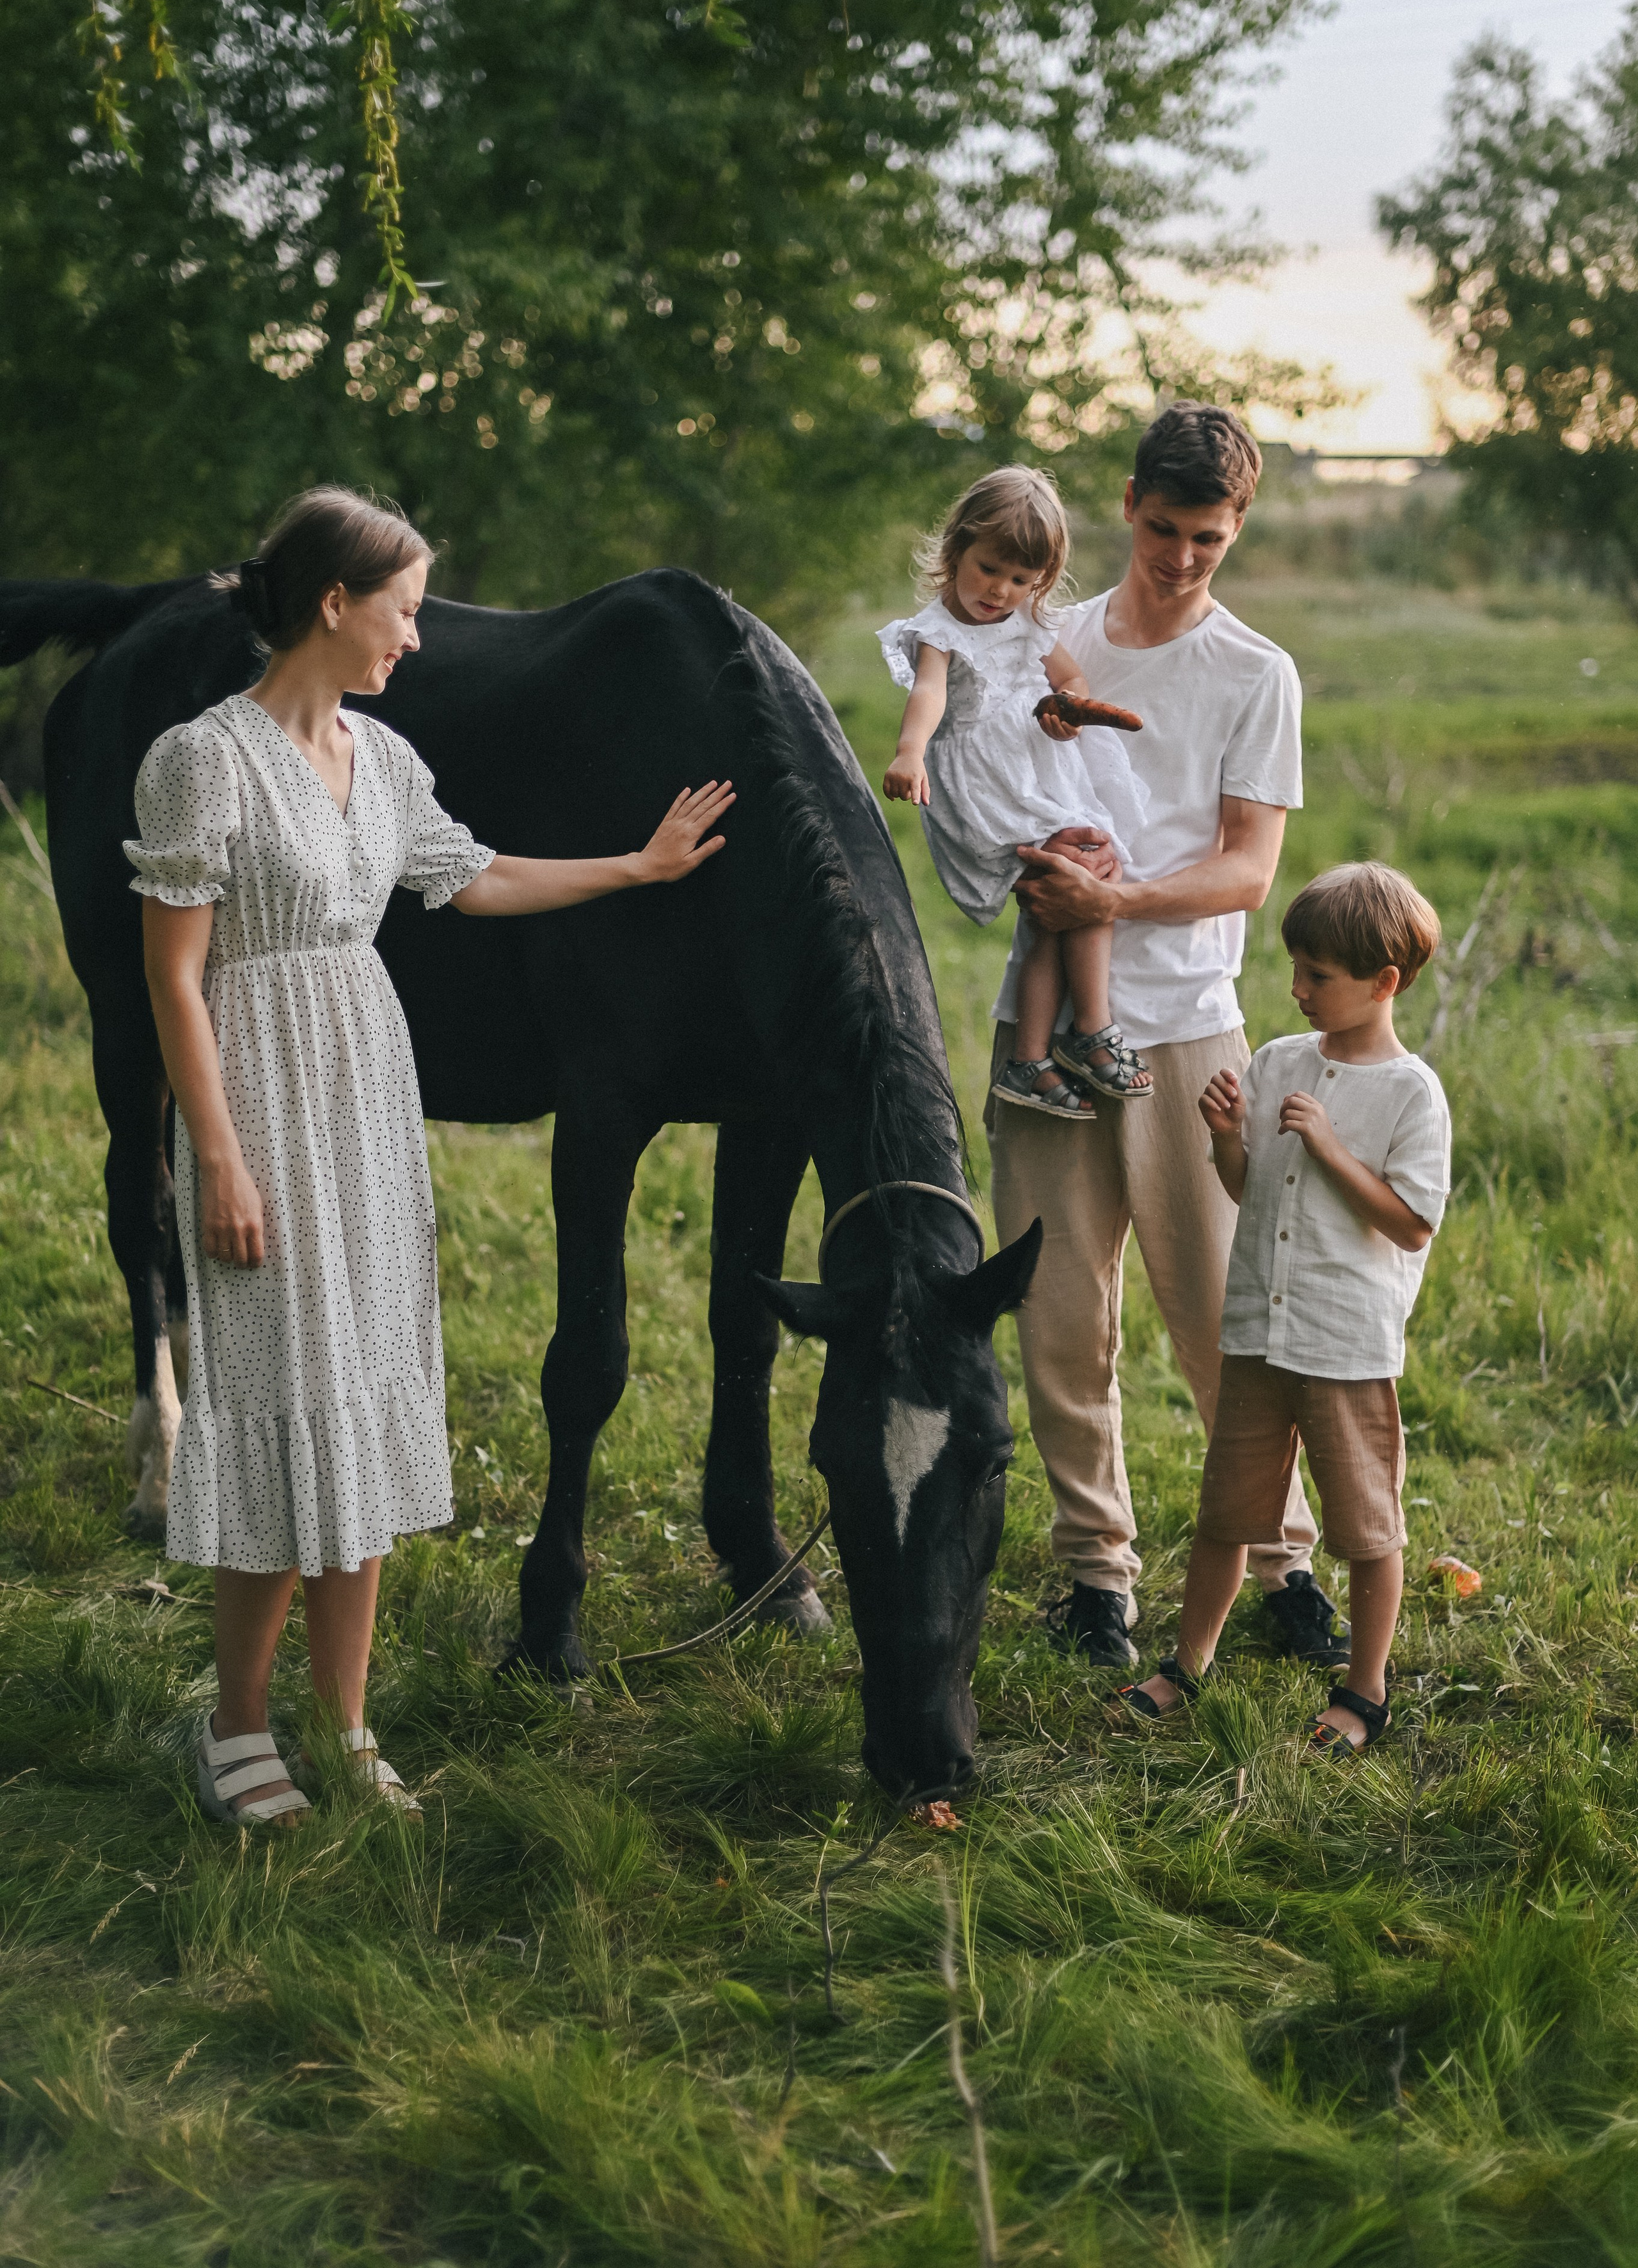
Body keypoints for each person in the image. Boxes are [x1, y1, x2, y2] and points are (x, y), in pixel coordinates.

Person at [127, 486, 733, 1828]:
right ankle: (233, 1723)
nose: (414, 635)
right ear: (334, 604)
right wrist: (215, 1158)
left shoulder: (385, 759)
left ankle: (341, 1726)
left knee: (363, 1392)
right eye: (402, 610)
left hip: (365, 1093)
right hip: (257, 1091)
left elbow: (478, 876)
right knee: (278, 1401)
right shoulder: (200, 760)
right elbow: (175, 982)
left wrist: (636, 868)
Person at [987, 403, 1344, 1671]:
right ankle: (1097, 1574)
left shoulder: (1255, 673)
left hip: (1191, 1032)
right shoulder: (1045, 645)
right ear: (1124, 499)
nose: (1180, 555)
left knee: (1225, 1315)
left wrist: (1116, 900)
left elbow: (1249, 868)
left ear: (1234, 527)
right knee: (1056, 1314)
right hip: (1043, 1032)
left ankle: (1283, 1558)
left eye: (1207, 537)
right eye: (1159, 527)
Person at [1118, 864, 1450, 1750]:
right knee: (1228, 1511)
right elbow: (1245, 1188)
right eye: (1295, 970)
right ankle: (1186, 1665)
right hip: (1260, 1334)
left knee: (1364, 1527)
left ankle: (1364, 1691)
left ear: (1384, 983)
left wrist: (1334, 1150)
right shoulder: (1275, 1062)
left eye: (1318, 977)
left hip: (1345, 1344)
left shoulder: (1412, 1092)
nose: (1297, 990)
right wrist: (1228, 1136)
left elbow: (1412, 1225)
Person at [879, 466, 1152, 1108]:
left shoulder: (1028, 619)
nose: (999, 591)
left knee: (1055, 905)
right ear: (956, 551)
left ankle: (1027, 1059)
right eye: (988, 569)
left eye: (1020, 579)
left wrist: (1069, 707)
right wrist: (909, 752)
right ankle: (1091, 1028)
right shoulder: (939, 632)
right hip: (988, 786)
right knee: (1083, 867)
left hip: (1038, 765)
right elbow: (929, 693)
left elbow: (1072, 676)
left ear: (1041, 580)